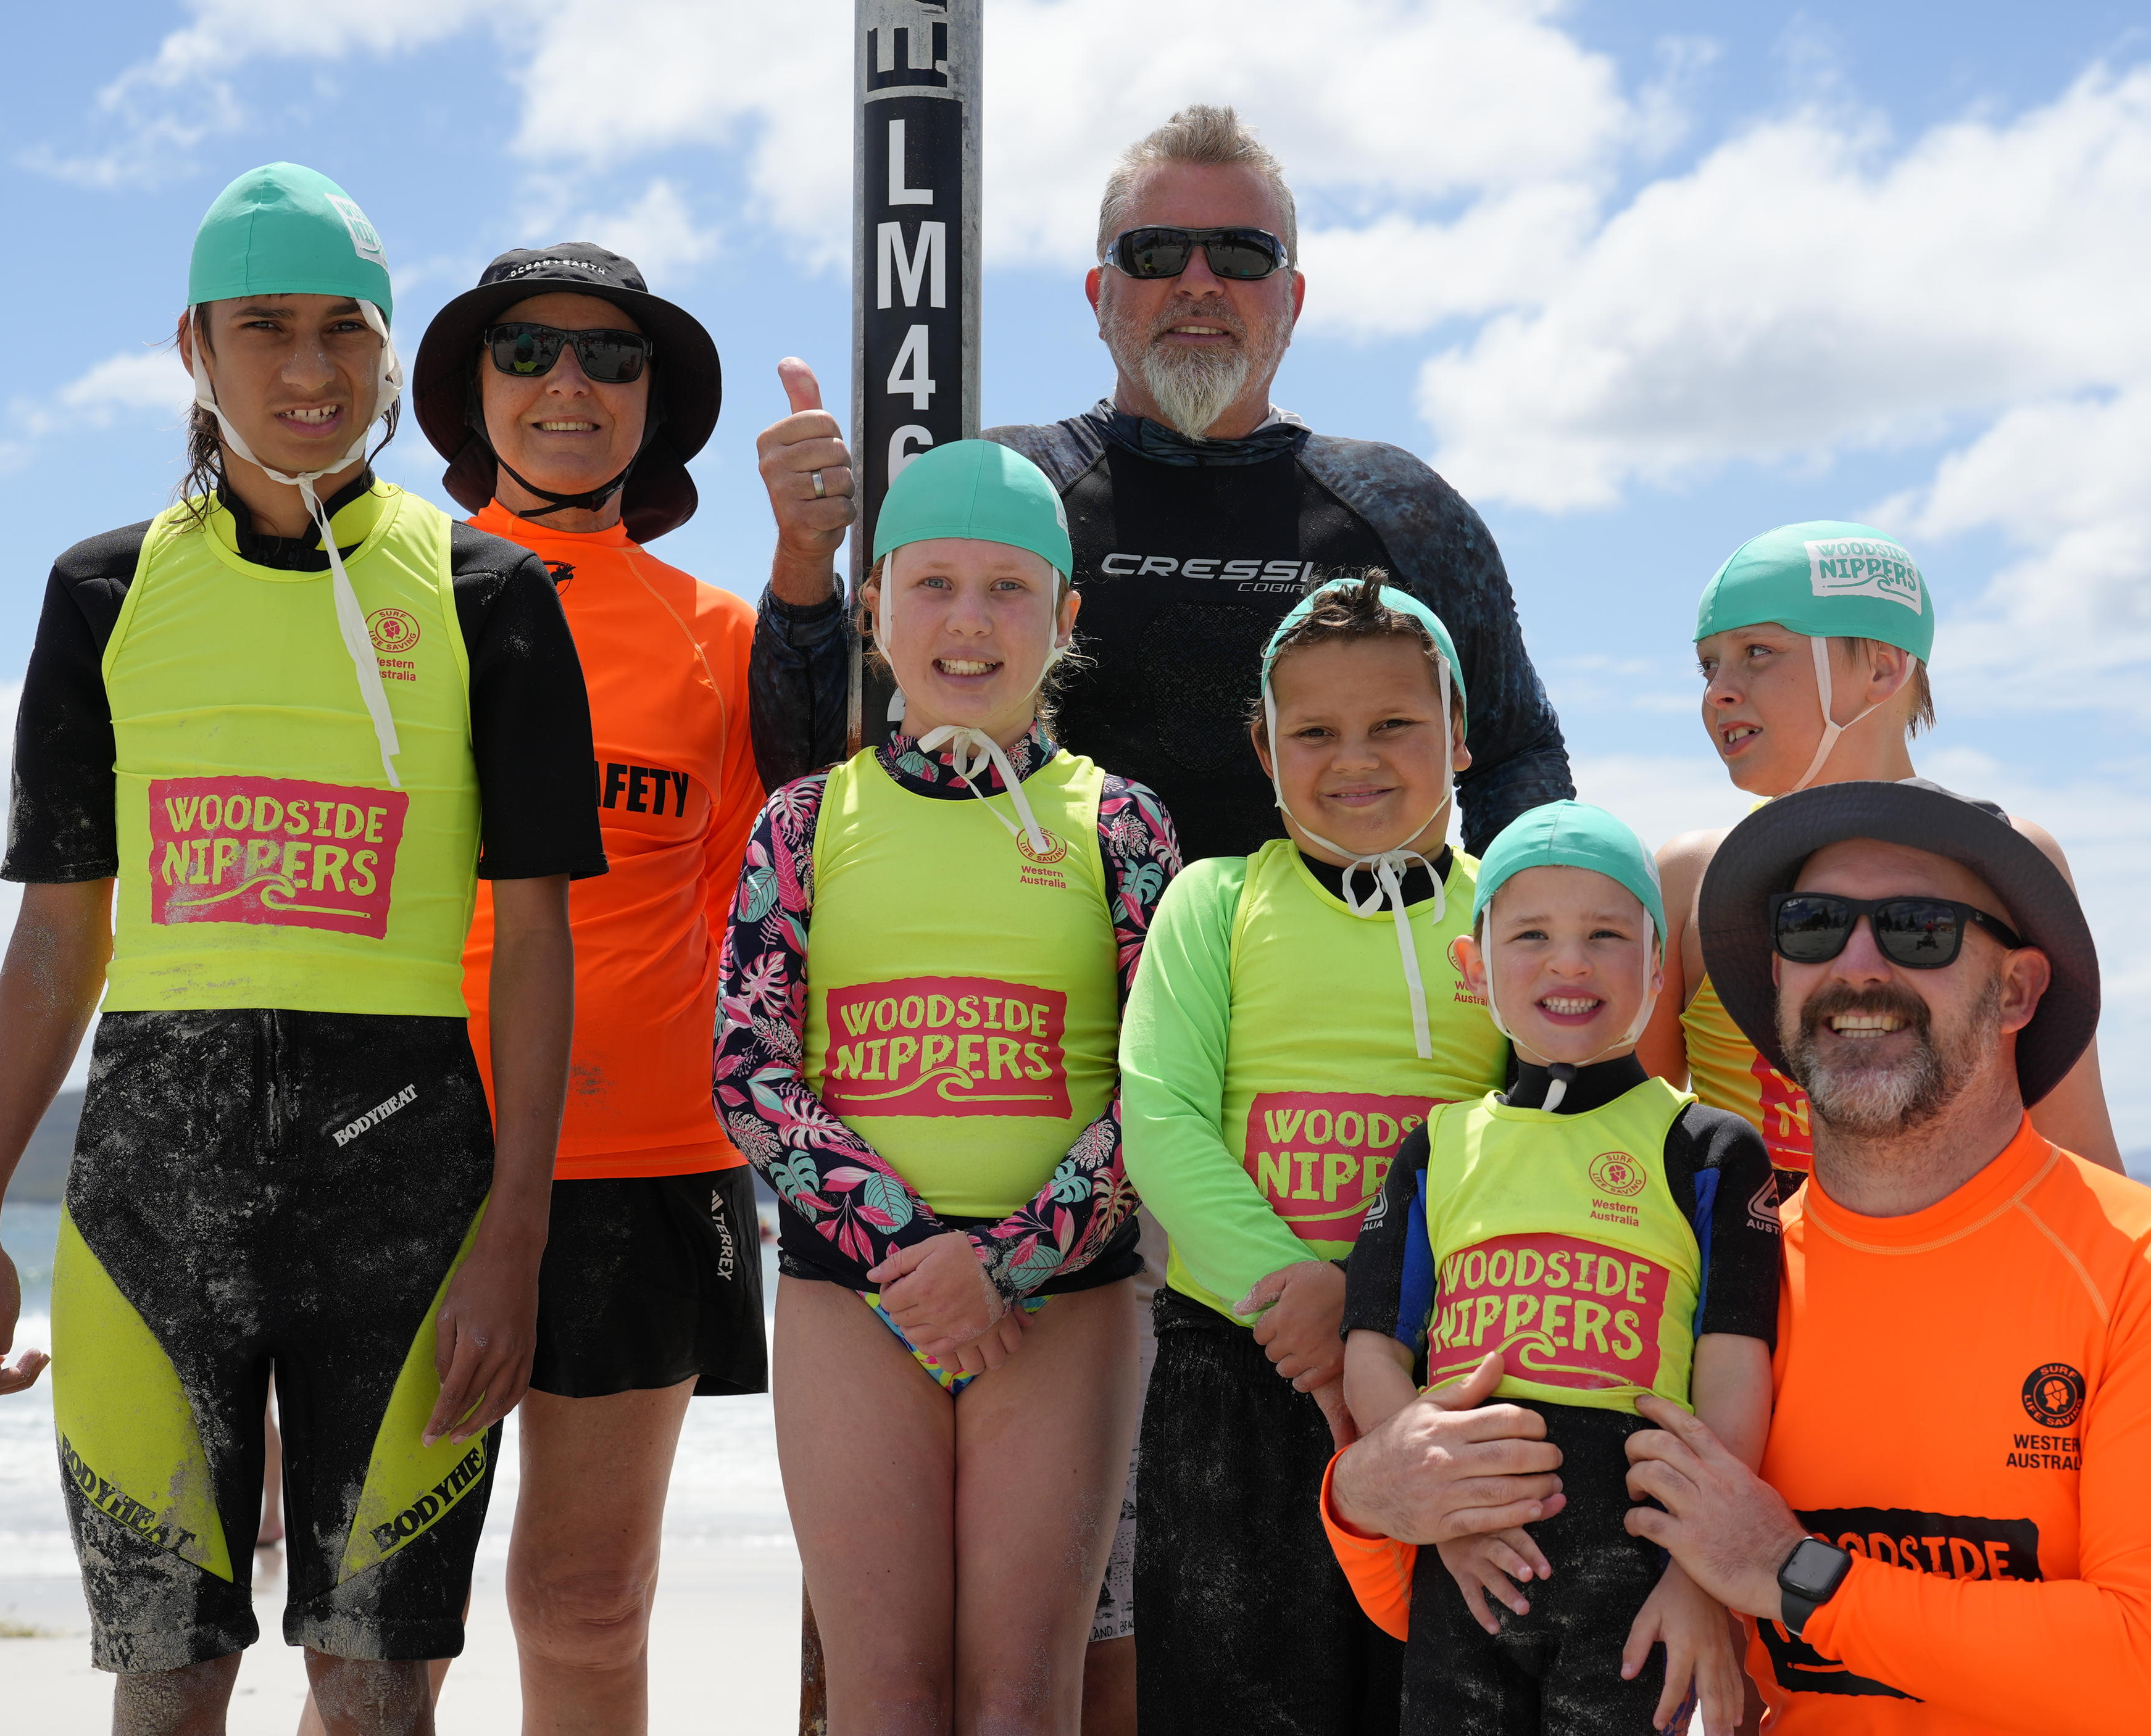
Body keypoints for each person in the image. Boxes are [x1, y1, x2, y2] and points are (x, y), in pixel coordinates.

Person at [0, 164, 606, 1734]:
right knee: (166, 1674)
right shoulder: (101, 592)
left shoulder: (491, 592)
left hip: (411, 1177)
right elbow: (55, 934)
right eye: (263, 331)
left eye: (342, 332)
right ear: (193, 347)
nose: (308, 372)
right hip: (152, 1183)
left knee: (378, 1683)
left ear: (386, 352)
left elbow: (532, 934)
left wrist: (515, 1227)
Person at [1344, 779, 2151, 1731]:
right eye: (1812, 926)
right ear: (1776, 980)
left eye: (1917, 928)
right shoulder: (1725, 1276)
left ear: (2016, 989)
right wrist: (1361, 1493)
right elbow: (1487, 1603)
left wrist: (1792, 1574)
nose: (1857, 966)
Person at [749, 102, 1571, 858]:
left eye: (1244, 254)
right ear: (1099, 293)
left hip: (1325, 1002)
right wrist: (804, 557)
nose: (1200, 281)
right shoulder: (1005, 492)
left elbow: (1515, 756)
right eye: (1157, 251)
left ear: (1294, 296)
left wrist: (1524, 945)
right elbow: (811, 760)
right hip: (1052, 1005)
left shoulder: (1405, 509)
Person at [714, 440, 1179, 1733]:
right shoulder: (805, 820)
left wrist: (1008, 1261)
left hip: (1063, 1303)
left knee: (1025, 1699)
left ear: (1063, 618)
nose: (968, 621)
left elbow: (1159, 1084)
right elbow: (751, 1067)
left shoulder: (1123, 824)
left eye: (1008, 589)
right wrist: (914, 1253)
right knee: (888, 1696)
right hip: (854, 1300)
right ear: (871, 605)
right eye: (931, 585)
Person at [405, 242, 765, 1734]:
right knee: (378, 1625)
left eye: (612, 358)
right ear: (470, 391)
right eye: (530, 350)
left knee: (588, 1599)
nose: (569, 383)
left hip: (644, 1165)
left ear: (655, 405)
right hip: (406, 1151)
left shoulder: (722, 635)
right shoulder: (386, 591)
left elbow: (762, 918)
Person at [1117, 577, 1511, 1735]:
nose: (1357, 757)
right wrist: (1296, 1299)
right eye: (1316, 731)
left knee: (1430, 1701)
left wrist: (1373, 1313)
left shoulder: (1515, 914)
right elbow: (1162, 1115)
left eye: (1395, 724)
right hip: (1241, 1363)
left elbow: (1551, 1130)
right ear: (1263, 746)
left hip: (1451, 1372)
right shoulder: (1215, 899)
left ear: (1461, 733)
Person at [1329, 802, 1779, 1734]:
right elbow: (1374, 1347)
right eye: (1531, 933)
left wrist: (1703, 1575)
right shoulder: (1436, 1146)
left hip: (1642, 1569)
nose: (1569, 961)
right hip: (1472, 1563)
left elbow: (1734, 1367)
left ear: (1658, 966)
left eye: (1607, 935)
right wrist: (1435, 1504)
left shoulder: (1707, 1147)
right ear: (1472, 965)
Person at [1639, 522, 2123, 1181]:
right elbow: (1635, 1151)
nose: (1717, 690)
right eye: (1707, 664)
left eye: (1756, 651)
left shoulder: (2006, 861)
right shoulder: (1689, 880)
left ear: (1882, 668)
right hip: (1754, 1279)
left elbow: (2077, 1154)